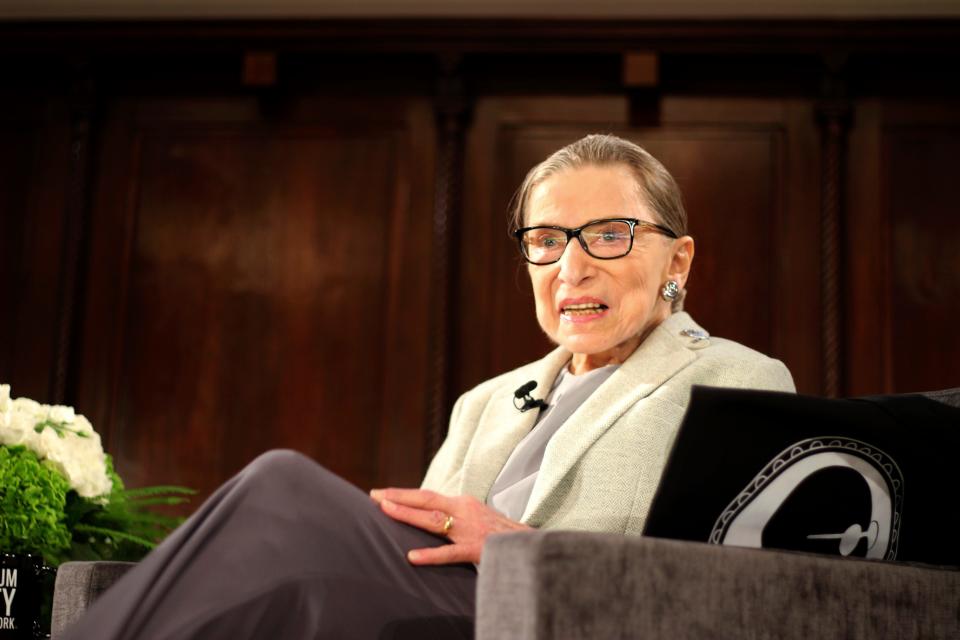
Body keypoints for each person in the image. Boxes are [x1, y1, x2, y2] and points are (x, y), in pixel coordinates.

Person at [61, 134, 795, 639]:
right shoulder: (483, 403)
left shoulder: (739, 380)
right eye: (546, 240)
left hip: (545, 621)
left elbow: (731, 596)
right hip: (430, 622)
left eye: (608, 234)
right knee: (279, 579)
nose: (571, 268)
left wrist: (519, 547)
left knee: (281, 486)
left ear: (679, 260)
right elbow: (416, 556)